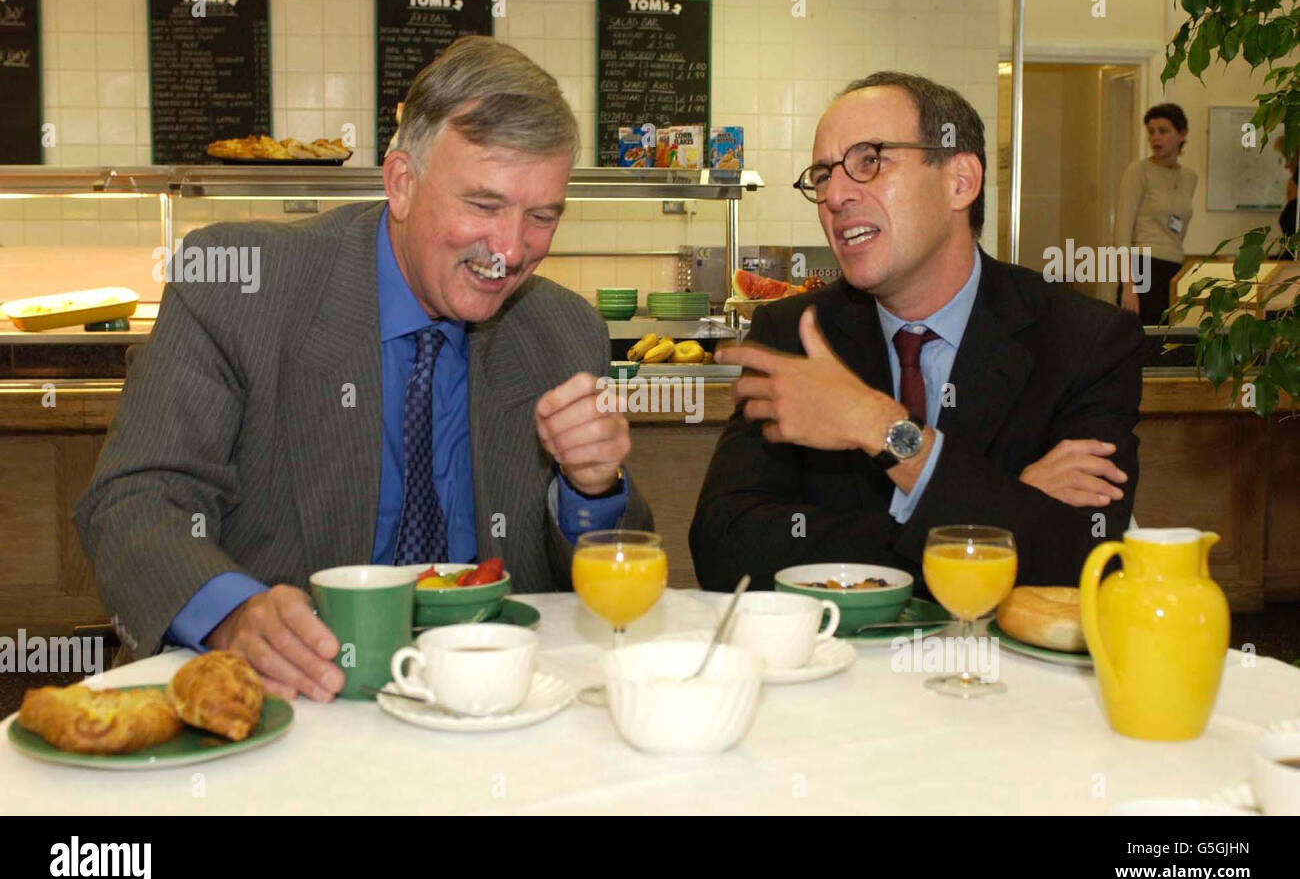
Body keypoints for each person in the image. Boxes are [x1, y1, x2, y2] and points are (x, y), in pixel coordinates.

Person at [76, 38, 651, 701]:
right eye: (485, 207)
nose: (512, 250)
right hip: (290, 703)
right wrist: (232, 613)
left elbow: (605, 580)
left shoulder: (563, 330)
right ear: (401, 183)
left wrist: (591, 486)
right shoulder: (238, 286)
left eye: (542, 216)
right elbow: (135, 500)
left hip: (490, 710)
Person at [690, 71, 1142, 593]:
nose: (834, 195)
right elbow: (725, 548)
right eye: (821, 175)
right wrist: (990, 520)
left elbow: (1085, 558)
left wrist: (881, 428)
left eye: (869, 161)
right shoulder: (793, 334)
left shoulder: (1084, 341)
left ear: (960, 181)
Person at [1114, 103, 1197, 325]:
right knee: (1143, 342)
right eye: (1151, 132)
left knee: (1169, 343)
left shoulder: (1189, 177)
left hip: (1174, 269)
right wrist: (1129, 286)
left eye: (1163, 131)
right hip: (1142, 267)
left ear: (1181, 134)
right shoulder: (1138, 172)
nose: (1155, 138)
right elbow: (1122, 232)